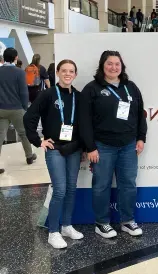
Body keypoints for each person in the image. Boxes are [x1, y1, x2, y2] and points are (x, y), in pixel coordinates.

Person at [79, 50, 147, 239]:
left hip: (128, 146)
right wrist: (90, 146)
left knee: (128, 185)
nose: (113, 67)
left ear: (121, 67)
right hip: (102, 146)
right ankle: (102, 223)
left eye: (117, 64)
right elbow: (84, 120)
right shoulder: (92, 89)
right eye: (109, 63)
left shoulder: (130, 87)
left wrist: (141, 138)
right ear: (102, 66)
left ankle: (127, 221)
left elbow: (140, 114)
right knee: (101, 185)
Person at [23, 59, 84, 249]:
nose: (67, 74)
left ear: (75, 74)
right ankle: (53, 231)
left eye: (71, 71)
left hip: (73, 149)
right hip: (55, 149)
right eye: (64, 70)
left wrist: (81, 145)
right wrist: (38, 140)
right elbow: (29, 118)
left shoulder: (79, 97)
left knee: (72, 188)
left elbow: (85, 124)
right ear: (57, 72)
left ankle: (66, 226)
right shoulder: (47, 94)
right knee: (60, 190)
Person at [0, 48, 36, 174]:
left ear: (4, 58)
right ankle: (29, 156)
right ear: (16, 57)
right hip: (16, 108)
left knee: (0, 135)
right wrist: (25, 107)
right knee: (23, 133)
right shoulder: (19, 72)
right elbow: (23, 92)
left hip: (1, 109)